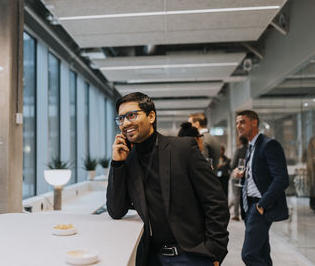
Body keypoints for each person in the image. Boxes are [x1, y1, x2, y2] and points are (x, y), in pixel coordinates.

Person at [107, 92, 229, 266]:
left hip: (191, 256)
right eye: (121, 118)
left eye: (131, 115)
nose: (126, 123)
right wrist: (117, 164)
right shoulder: (129, 159)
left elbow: (215, 201)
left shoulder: (183, 149)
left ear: (151, 116)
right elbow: (116, 210)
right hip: (150, 258)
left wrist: (215, 252)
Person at [234, 110, 289, 266]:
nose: (239, 126)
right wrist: (243, 174)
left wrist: (261, 205)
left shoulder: (269, 144)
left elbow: (281, 179)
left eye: (242, 122)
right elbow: (259, 173)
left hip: (258, 206)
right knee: (262, 254)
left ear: (254, 122)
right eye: (237, 123)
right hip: (249, 206)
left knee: (249, 255)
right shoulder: (251, 147)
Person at [229, 136, 248, 221]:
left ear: (240, 141)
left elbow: (233, 165)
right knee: (244, 194)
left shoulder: (238, 150)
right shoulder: (249, 150)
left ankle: (236, 214)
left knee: (236, 195)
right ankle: (245, 213)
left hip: (237, 174)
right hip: (247, 175)